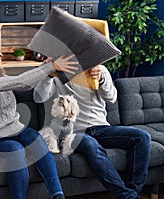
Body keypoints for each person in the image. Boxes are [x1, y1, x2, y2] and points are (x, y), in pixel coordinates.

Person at [0, 38, 79, 199]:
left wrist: (47, 70)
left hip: (18, 129)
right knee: (16, 150)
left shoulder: (0, 79)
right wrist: (49, 66)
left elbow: (25, 83)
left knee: (37, 139)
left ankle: (58, 195)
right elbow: (20, 83)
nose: (1, 54)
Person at [33, 65, 151, 199]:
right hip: (74, 132)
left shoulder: (99, 69)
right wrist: (48, 74)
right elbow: (38, 97)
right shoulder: (59, 73)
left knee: (142, 137)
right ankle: (127, 196)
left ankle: (132, 193)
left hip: (102, 128)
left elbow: (112, 98)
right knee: (91, 145)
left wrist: (101, 80)